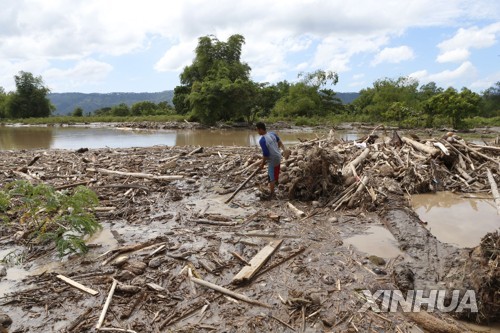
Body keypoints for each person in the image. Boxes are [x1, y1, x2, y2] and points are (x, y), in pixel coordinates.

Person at [255, 122, 287, 199]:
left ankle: (272, 194)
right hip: (278, 156)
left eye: (257, 130)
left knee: (271, 176)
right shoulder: (272, 134)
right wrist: (277, 150)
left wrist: (262, 164)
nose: (257, 132)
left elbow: (266, 154)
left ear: (261, 129)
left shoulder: (262, 140)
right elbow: (280, 143)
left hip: (272, 159)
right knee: (276, 171)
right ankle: (274, 186)